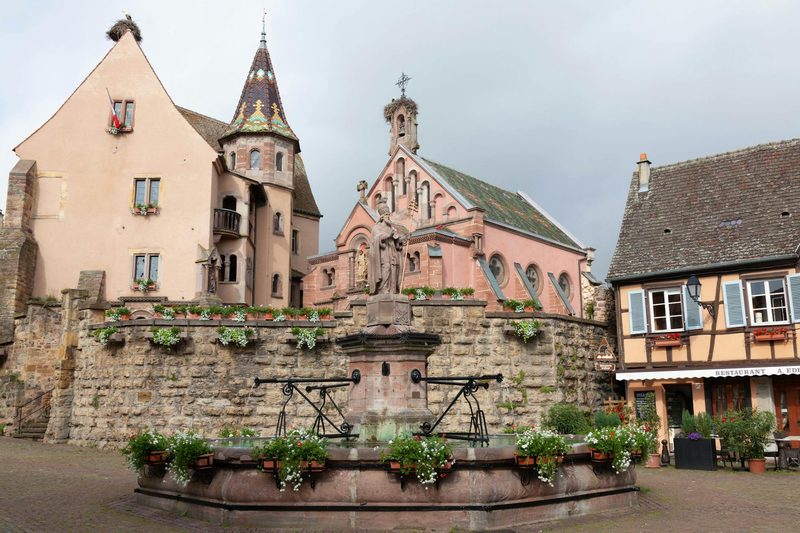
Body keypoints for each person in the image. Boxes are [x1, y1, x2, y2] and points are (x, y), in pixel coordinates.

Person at [367, 202, 408, 294]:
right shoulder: (376, 227)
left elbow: (396, 240)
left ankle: (393, 290)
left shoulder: (391, 228)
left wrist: (401, 240)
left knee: (394, 269)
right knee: (386, 269)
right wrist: (388, 235)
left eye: (389, 214)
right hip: (383, 252)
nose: (388, 217)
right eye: (386, 215)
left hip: (393, 252)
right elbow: (376, 239)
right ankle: (383, 289)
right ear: (382, 216)